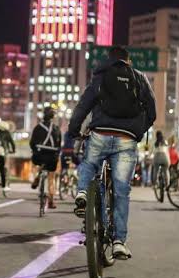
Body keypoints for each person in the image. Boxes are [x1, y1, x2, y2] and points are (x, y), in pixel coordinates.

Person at [67, 45, 156, 259]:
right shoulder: (139, 77)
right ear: (128, 60)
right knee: (121, 191)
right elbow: (151, 111)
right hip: (127, 138)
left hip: (100, 133)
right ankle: (118, 242)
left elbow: (84, 105)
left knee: (89, 164)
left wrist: (73, 130)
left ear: (109, 59)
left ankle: (81, 194)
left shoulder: (101, 75)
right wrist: (136, 131)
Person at [30, 106, 62, 209]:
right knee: (51, 178)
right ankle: (51, 201)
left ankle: (38, 177)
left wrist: (34, 150)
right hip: (52, 156)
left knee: (39, 162)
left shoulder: (38, 127)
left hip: (39, 155)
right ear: (53, 117)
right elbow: (59, 145)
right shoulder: (57, 128)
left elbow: (32, 143)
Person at [0, 119, 16, 189]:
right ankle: (4, 186)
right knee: (2, 168)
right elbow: (12, 143)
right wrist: (13, 150)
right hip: (2, 151)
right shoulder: (7, 133)